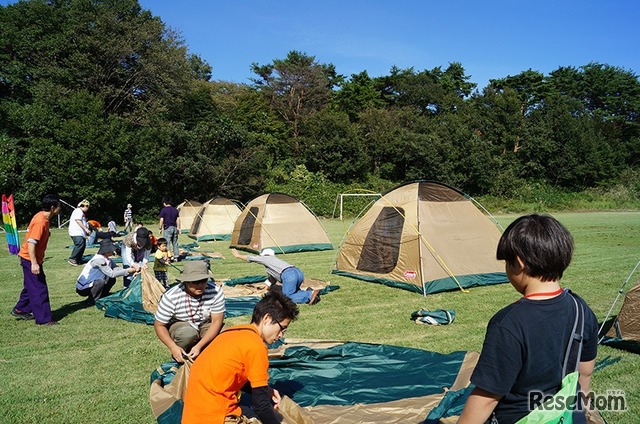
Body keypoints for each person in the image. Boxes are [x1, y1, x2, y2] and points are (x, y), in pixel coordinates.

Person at [458, 214, 598, 424]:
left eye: (506, 261)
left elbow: (487, 397)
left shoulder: (507, 323)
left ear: (519, 263)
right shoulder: (581, 309)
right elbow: (585, 373)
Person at [182, 289, 299, 424]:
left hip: (193, 415)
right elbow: (261, 406)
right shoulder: (256, 346)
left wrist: (267, 390)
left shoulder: (232, 333)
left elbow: (230, 375)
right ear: (266, 319)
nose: (281, 335)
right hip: (217, 416)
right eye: (282, 328)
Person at [154, 260, 225, 363]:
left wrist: (199, 346)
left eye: (204, 280)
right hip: (182, 324)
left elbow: (216, 322)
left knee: (225, 333)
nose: (200, 285)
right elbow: (159, 325)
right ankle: (181, 355)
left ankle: (210, 356)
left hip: (206, 324)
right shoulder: (171, 296)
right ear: (186, 281)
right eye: (195, 282)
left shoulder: (215, 291)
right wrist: (173, 347)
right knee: (187, 334)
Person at [12, 194, 61, 325]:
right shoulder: (41, 221)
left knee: (31, 285)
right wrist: (34, 263)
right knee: (39, 289)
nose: (60, 208)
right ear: (52, 207)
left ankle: (20, 309)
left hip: (30, 258)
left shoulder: (42, 217)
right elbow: (31, 243)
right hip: (30, 259)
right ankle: (44, 319)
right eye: (59, 206)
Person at [231, 248, 320, 305]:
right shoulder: (274, 262)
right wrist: (266, 288)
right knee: (294, 291)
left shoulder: (266, 258)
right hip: (298, 272)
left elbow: (252, 258)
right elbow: (272, 279)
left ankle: (309, 295)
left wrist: (238, 255)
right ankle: (309, 292)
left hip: (289, 275)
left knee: (286, 297)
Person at [75, 239, 140, 305]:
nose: (113, 251)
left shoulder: (107, 259)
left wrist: (130, 270)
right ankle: (92, 300)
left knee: (111, 280)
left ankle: (102, 295)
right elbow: (112, 274)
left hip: (92, 284)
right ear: (106, 251)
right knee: (100, 281)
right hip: (84, 288)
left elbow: (116, 268)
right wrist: (128, 271)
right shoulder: (98, 260)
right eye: (111, 250)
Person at [67, 199, 91, 266]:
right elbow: (78, 221)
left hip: (80, 232)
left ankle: (78, 260)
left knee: (83, 246)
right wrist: (86, 229)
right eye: (88, 207)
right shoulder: (78, 211)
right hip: (76, 232)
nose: (88, 208)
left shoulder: (81, 213)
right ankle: (72, 259)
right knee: (80, 244)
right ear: (84, 206)